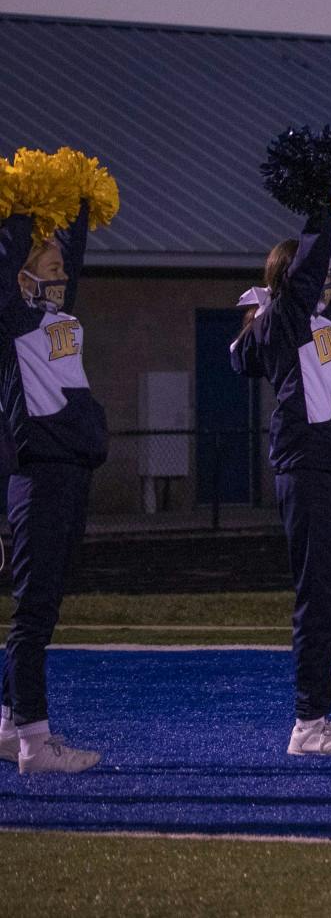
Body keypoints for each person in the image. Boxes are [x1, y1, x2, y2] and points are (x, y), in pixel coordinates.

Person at [232, 189, 331, 756]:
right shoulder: (285, 321)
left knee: (327, 597)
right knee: (316, 597)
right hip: (306, 465)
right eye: (313, 276)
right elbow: (319, 261)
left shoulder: (318, 316)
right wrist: (318, 204)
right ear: (291, 281)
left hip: (327, 466)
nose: (328, 283)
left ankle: (317, 716)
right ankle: (307, 725)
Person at [0, 196, 106, 774]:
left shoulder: (60, 320)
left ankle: (9, 721)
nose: (62, 275)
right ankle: (36, 744)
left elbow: (76, 257)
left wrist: (77, 207)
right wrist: (17, 214)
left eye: (62, 269)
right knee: (34, 613)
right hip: (39, 475)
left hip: (68, 470)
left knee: (44, 604)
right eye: (50, 268)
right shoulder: (11, 322)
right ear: (22, 279)